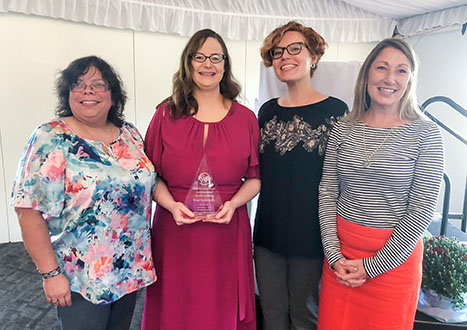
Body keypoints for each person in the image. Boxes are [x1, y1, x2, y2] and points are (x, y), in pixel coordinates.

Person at [11, 56, 157, 330]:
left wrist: (174, 205)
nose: (88, 91)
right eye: (78, 84)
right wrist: (50, 274)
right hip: (81, 277)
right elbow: (27, 210)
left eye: (99, 84)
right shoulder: (50, 137)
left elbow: (149, 181)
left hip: (129, 269)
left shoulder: (130, 134)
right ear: (67, 94)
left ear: (113, 95)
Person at [318, 38, 444, 330]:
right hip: (341, 257)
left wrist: (373, 266)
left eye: (401, 70)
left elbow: (421, 211)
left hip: (394, 264)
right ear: (367, 75)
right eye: (382, 68)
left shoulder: (426, 134)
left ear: (411, 79)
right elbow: (327, 191)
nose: (389, 78)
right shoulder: (343, 127)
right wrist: (334, 254)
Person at [141, 29, 260, 330]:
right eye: (200, 56)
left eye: (216, 57)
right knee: (176, 307)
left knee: (220, 308)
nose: (208, 64)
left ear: (225, 64)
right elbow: (149, 176)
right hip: (176, 228)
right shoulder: (165, 114)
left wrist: (234, 204)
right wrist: (170, 205)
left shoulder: (246, 118)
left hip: (227, 230)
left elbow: (255, 178)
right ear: (188, 62)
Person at [254, 21, 348, 330]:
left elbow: (341, 180)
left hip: (313, 235)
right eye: (278, 52)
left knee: (306, 316)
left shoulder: (336, 111)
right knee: (272, 315)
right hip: (267, 233)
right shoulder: (266, 112)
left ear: (314, 56)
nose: (285, 57)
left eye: (295, 49)